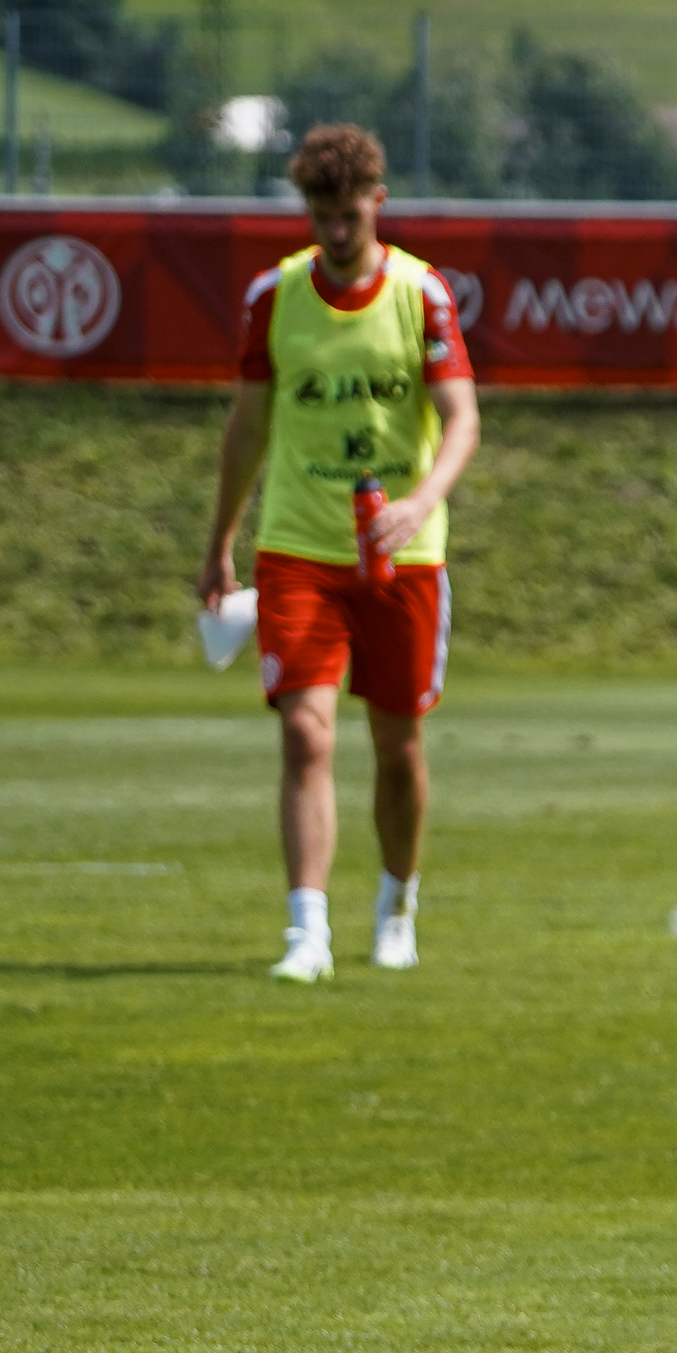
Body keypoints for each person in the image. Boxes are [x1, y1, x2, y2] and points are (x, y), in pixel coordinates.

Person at [198, 122, 479, 983]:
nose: (335, 230)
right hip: (300, 549)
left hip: (403, 557)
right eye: (320, 214)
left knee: (398, 748)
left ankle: (398, 902)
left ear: (378, 204)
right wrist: (219, 545)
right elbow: (247, 426)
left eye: (350, 213)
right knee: (306, 737)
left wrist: (421, 500)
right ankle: (305, 933)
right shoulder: (274, 297)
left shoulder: (421, 295)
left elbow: (462, 417)